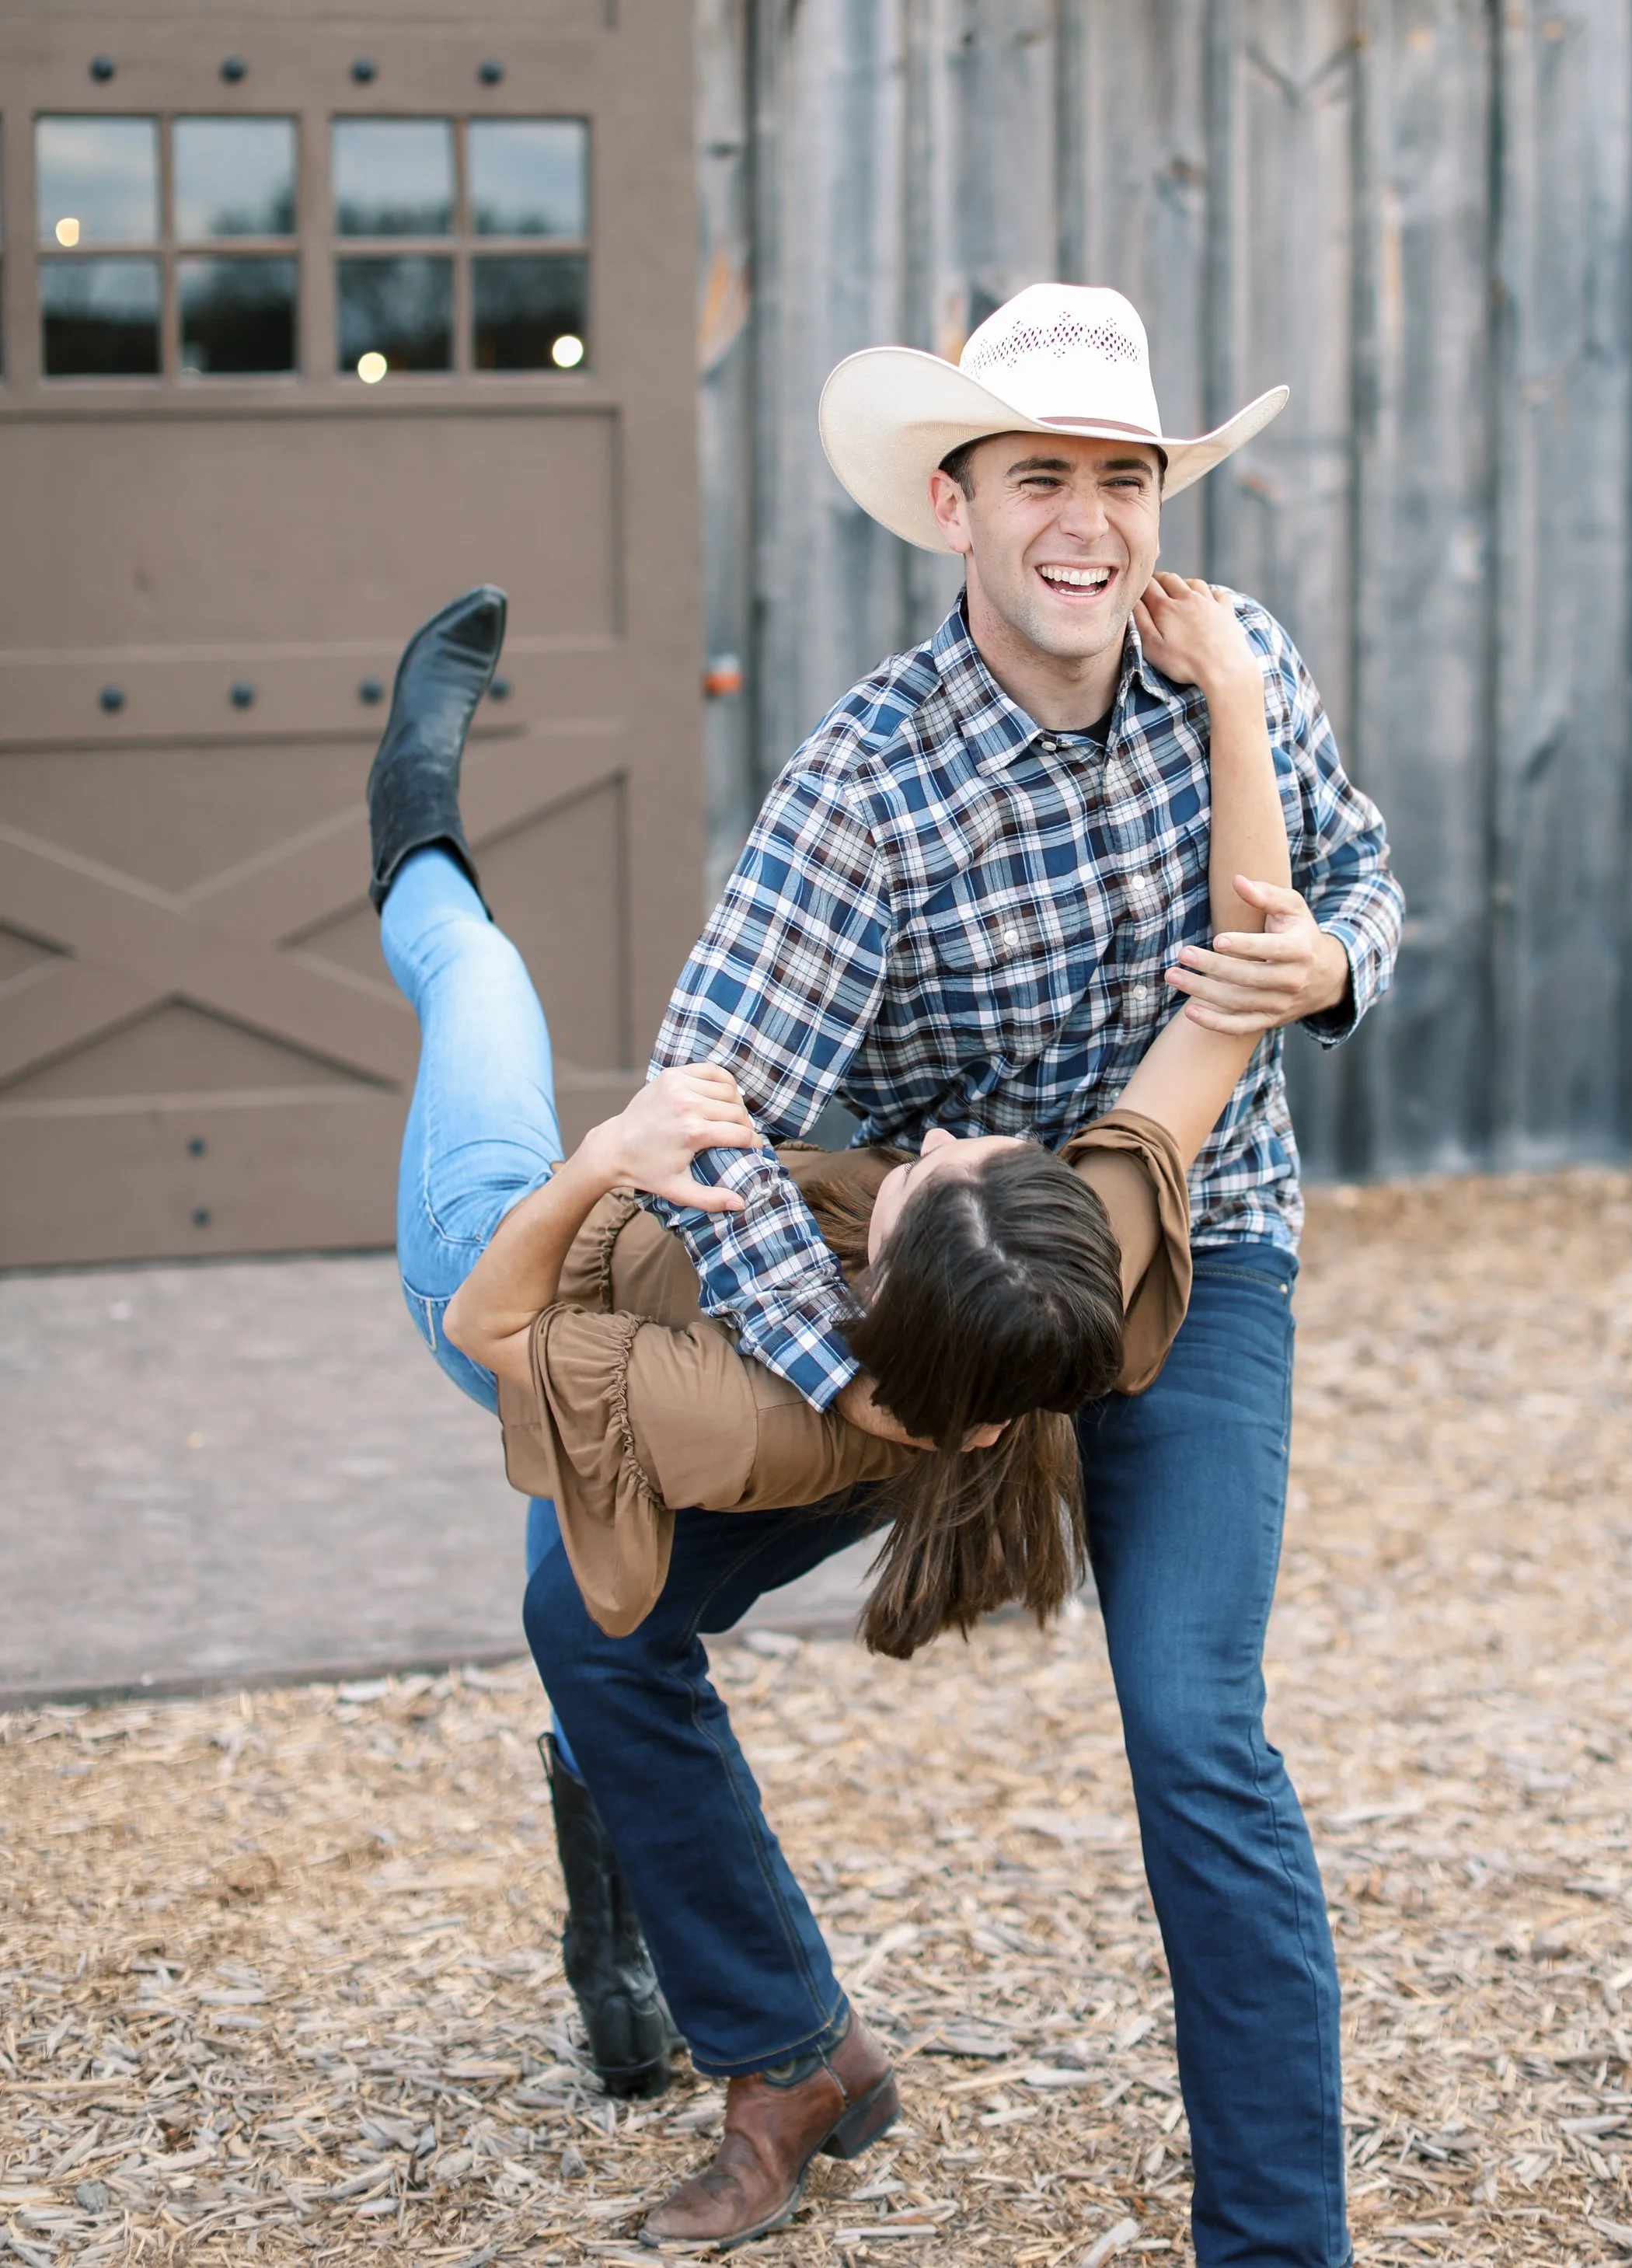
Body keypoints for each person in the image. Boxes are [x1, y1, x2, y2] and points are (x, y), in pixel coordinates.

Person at [518, 282, 1405, 2267]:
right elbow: (708, 1120)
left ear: (1156, 498)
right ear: (955, 505)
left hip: (1195, 1254)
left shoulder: (1233, 667)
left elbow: (1357, 879)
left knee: (1196, 1731)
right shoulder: (868, 788)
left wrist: (1339, 965)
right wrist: (853, 1390)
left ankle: (1276, 2248)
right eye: (1038, 479)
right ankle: (788, 2047)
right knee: (592, 1607)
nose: (1083, 520)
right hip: (942, 1293)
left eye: (1120, 476)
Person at [368, 560, 1302, 2238]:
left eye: (935, 1171)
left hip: (510, 1262)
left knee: (476, 992)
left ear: (896, 1293)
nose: (954, 1131)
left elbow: (504, 1330)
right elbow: (1227, 998)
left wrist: (593, 1167)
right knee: (590, 1620)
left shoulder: (756, 1417)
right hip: (646, 1245)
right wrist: (1234, 699)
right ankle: (768, 2018)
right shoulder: (1064, 1246)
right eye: (970, 1149)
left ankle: (417, 851)